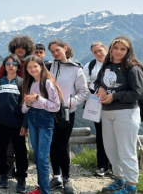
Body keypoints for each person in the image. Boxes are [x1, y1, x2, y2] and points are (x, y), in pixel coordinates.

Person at [94, 37, 143, 194]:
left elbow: (139, 92)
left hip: (126, 112)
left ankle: (131, 187)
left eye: (122, 49)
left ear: (128, 51)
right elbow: (97, 82)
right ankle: (119, 179)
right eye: (115, 48)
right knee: (111, 148)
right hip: (107, 112)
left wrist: (115, 97)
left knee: (126, 149)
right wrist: (100, 89)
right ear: (110, 49)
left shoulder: (133, 68)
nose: (118, 51)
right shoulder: (107, 66)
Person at [48, 39, 90, 194]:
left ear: (65, 48)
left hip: (66, 112)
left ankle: (66, 178)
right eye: (52, 51)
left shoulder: (76, 69)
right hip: (50, 112)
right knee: (52, 145)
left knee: (62, 145)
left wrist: (70, 102)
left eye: (57, 50)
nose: (55, 53)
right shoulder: (49, 66)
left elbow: (84, 92)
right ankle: (56, 176)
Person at [21, 56, 62, 194]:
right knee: (38, 157)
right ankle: (40, 188)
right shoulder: (29, 83)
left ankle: (45, 191)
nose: (32, 69)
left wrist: (38, 98)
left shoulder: (48, 83)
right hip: (33, 120)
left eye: (35, 66)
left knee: (42, 158)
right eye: (29, 67)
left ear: (41, 67)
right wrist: (27, 103)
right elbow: (24, 109)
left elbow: (56, 107)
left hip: (45, 121)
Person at [0, 54, 27, 192]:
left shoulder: (22, 82)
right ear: (4, 66)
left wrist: (24, 124)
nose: (11, 66)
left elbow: (26, 105)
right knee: (1, 151)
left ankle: (21, 176)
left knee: (20, 151)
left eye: (14, 64)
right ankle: (3, 174)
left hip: (17, 124)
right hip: (1, 123)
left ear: (18, 67)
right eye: (8, 63)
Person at [83, 41, 112, 178]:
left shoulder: (116, 62)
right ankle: (102, 166)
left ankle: (116, 167)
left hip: (115, 104)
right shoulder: (90, 66)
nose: (98, 53)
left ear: (105, 49)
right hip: (97, 105)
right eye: (95, 52)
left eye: (100, 50)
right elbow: (85, 84)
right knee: (101, 136)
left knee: (116, 135)